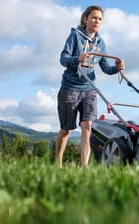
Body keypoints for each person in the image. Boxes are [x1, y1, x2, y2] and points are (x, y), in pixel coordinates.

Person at [56, 5, 125, 167]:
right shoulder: (75, 36)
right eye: (94, 17)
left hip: (89, 88)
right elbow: (63, 59)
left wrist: (117, 68)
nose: (97, 21)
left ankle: (84, 167)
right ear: (85, 19)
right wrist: (76, 59)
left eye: (100, 19)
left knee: (87, 125)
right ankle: (58, 164)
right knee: (66, 130)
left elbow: (106, 68)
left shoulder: (100, 42)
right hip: (70, 87)